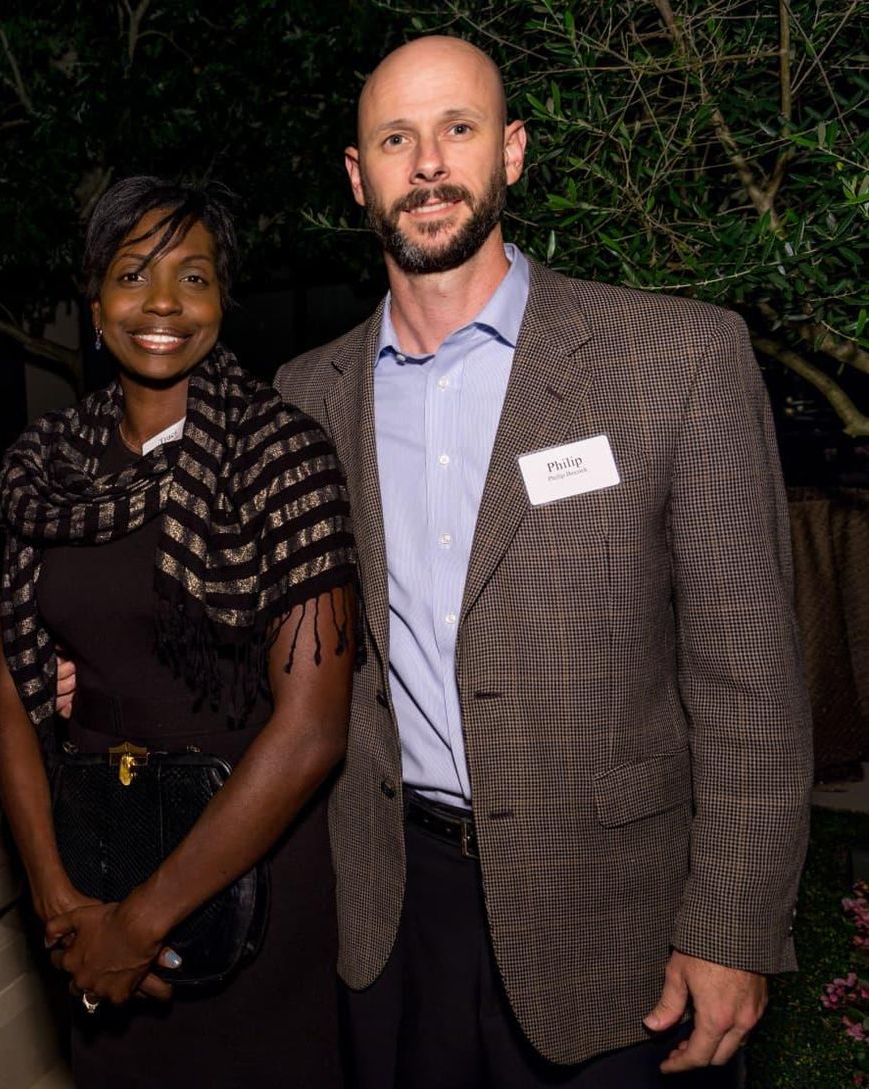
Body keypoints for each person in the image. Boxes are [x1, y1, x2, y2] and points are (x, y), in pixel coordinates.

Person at [272, 34, 813, 1088]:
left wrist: (733, 921)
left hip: (618, 923)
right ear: (356, 177)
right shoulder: (308, 393)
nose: (426, 165)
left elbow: (748, 680)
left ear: (509, 153)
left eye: (457, 130)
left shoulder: (678, 359)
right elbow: (266, 622)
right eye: (395, 139)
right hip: (392, 914)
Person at [0, 176, 357, 1089]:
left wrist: (140, 924)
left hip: (251, 880)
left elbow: (312, 732)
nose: (162, 305)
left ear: (223, 299)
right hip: (94, 860)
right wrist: (58, 898)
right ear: (94, 299)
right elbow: (8, 697)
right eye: (132, 275)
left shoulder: (285, 456)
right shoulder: (48, 466)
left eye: (193, 278)